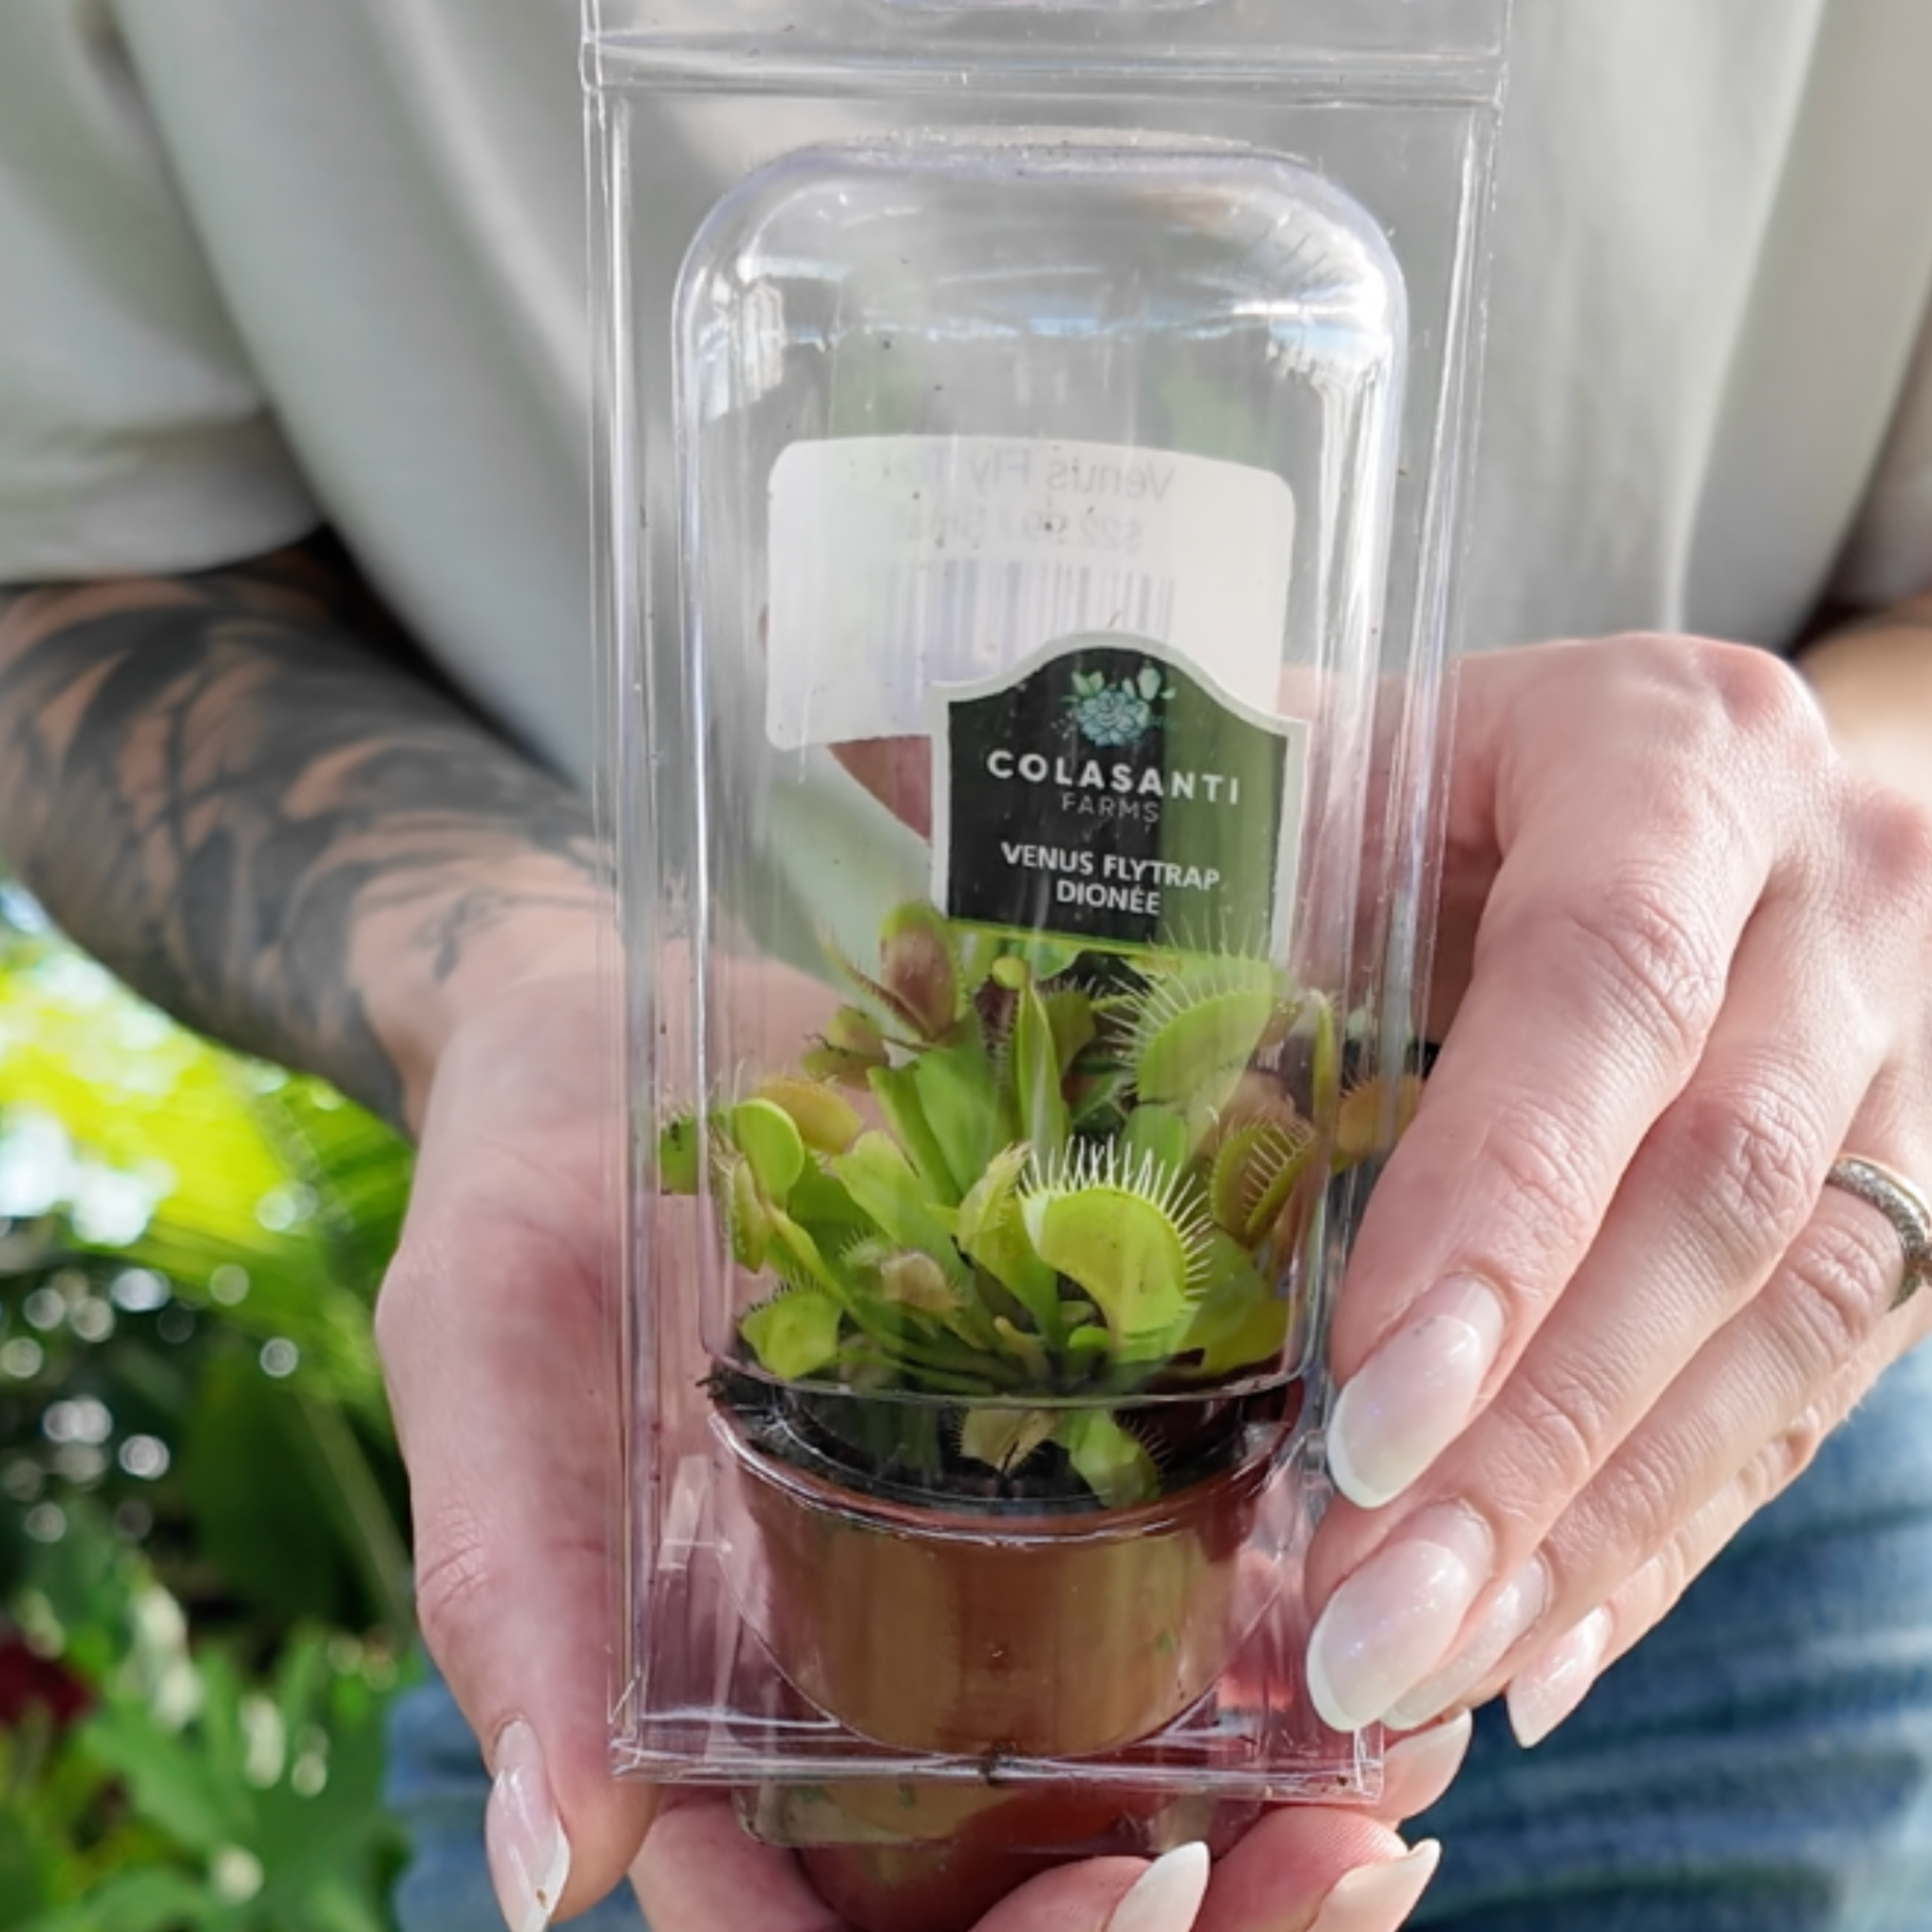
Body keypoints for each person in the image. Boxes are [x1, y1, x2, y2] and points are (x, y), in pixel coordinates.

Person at [3, 4, 1931, 1930]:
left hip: (1686, 1380)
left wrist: (1835, 853)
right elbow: (73, 564)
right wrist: (521, 976)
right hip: (636, 1438)